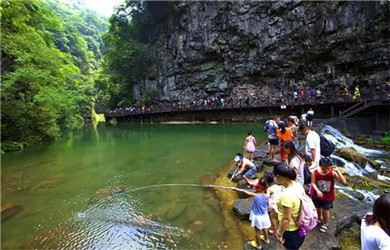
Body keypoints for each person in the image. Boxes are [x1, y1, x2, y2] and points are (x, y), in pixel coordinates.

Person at [273, 163, 306, 250]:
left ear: (278, 176)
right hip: (300, 225)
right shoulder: (298, 185)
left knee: (289, 247)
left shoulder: (286, 195)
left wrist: (279, 233)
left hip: (291, 230)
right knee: (296, 247)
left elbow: (286, 219)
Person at [233, 177, 272, 249]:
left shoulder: (256, 195)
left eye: (257, 187)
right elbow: (268, 194)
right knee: (265, 227)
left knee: (257, 231)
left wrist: (236, 189)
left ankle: (258, 245)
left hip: (257, 216)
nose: (255, 188)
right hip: (265, 215)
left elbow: (245, 192)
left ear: (261, 188)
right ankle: (266, 239)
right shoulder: (267, 196)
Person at [311, 157, 346, 233]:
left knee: (326, 210)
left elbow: (343, 182)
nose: (326, 170)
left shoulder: (332, 173)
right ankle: (319, 218)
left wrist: (338, 171)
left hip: (328, 196)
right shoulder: (315, 172)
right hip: (317, 194)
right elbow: (313, 183)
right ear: (320, 166)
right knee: (317, 208)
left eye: (328, 168)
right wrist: (317, 191)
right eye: (324, 168)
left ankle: (325, 223)